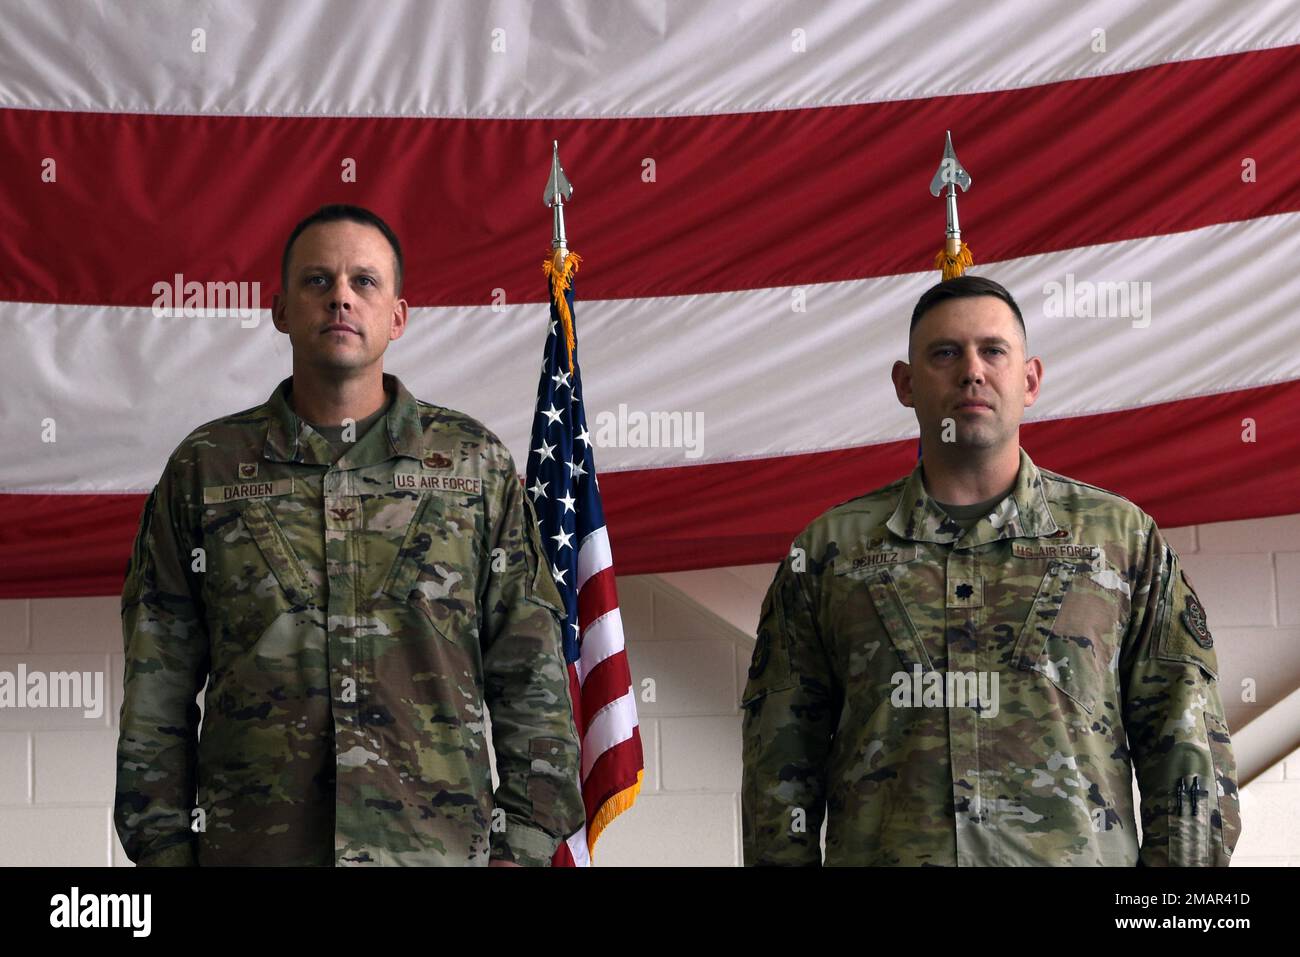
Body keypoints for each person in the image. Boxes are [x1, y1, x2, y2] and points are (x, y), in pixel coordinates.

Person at [115, 204, 585, 866]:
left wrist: (523, 845)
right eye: (317, 280)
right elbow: (157, 682)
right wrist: (163, 849)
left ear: (397, 315)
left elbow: (530, 670)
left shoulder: (475, 468)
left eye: (364, 281)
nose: (340, 295)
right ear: (279, 309)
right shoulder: (207, 468)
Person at [741, 274, 1241, 866]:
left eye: (993, 351)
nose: (971, 371)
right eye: (945, 353)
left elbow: (1184, 743)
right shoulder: (828, 554)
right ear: (905, 384)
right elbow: (779, 768)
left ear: (1030, 379)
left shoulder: (1121, 540)